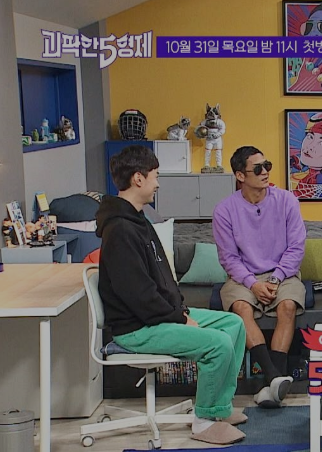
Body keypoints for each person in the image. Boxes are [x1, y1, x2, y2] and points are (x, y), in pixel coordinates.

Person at [96, 145, 247, 445]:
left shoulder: (140, 221)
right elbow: (139, 295)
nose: (158, 183)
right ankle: (204, 422)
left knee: (233, 325)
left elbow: (162, 279)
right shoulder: (120, 231)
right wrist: (179, 318)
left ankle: (219, 407)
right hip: (137, 328)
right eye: (155, 176)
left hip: (157, 316)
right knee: (217, 344)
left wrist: (181, 310)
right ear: (138, 178)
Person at [213, 146, 303, 408]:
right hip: (243, 275)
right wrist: (253, 284)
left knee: (288, 306)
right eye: (258, 168)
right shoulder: (224, 210)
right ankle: (274, 377)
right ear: (240, 175)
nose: (265, 172)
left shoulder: (287, 200)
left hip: (283, 272)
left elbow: (296, 247)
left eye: (267, 165)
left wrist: (275, 278)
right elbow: (229, 258)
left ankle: (272, 383)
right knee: (241, 308)